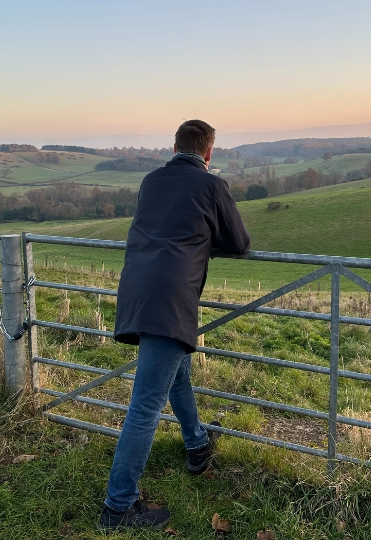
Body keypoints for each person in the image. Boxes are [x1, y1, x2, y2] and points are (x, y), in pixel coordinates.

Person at [99, 120, 251, 531]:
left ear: (174, 147)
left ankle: (198, 445)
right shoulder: (212, 186)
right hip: (171, 298)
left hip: (137, 289)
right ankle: (118, 508)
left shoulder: (151, 181)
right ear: (209, 153)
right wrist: (205, 243)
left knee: (177, 373)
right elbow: (240, 242)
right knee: (146, 405)